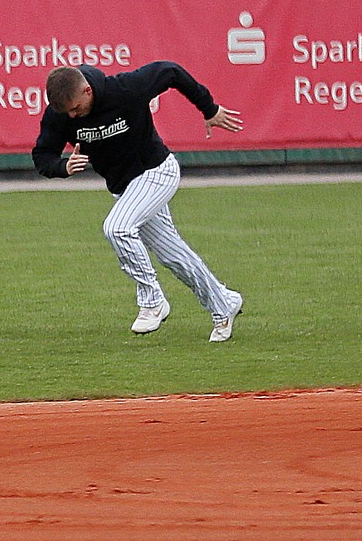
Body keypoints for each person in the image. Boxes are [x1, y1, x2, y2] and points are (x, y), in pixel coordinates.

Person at [36, 63, 244, 341]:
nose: (72, 116)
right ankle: (224, 304)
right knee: (174, 257)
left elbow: (171, 72)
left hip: (157, 171)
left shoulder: (124, 89)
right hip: (125, 188)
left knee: (116, 228)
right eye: (67, 112)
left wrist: (209, 108)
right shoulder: (60, 115)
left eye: (75, 108)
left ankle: (152, 301)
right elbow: (42, 156)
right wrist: (62, 166)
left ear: (87, 90)